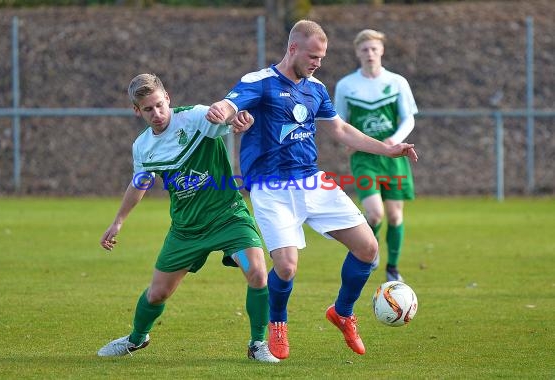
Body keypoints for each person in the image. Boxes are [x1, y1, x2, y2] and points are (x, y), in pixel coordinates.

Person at [205, 20, 418, 359]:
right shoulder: (260, 82)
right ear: (293, 49)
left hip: (312, 181)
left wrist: (387, 148)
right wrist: (223, 110)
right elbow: (231, 103)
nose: (318, 63)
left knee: (368, 250)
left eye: (322, 57)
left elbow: (342, 130)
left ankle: (343, 312)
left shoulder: (315, 88)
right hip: (271, 188)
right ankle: (278, 323)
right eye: (314, 56)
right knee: (287, 267)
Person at [96, 73, 279, 363]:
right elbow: (140, 184)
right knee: (157, 294)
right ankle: (136, 338)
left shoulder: (193, 118)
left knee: (256, 271)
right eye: (148, 109)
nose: (156, 114)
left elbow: (223, 117)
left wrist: (238, 119)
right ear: (136, 111)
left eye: (159, 105)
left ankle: (258, 344)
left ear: (167, 97)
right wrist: (118, 221)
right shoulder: (143, 147)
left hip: (228, 219)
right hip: (186, 231)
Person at [334, 29, 418, 283]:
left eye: (373, 48)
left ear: (381, 50)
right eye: (364, 49)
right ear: (357, 53)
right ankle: (371, 251)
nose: (369, 53)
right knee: (374, 214)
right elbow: (338, 121)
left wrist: (395, 140)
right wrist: (345, 142)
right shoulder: (346, 85)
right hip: (364, 157)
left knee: (394, 216)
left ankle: (392, 267)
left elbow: (409, 118)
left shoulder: (397, 82)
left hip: (393, 157)